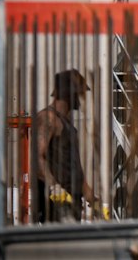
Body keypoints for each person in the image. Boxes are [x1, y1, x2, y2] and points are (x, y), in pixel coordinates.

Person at [32, 69, 95, 223]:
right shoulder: (48, 118)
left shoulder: (66, 124)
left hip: (71, 202)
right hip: (53, 205)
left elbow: (75, 169)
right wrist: (54, 187)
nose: (80, 99)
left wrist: (93, 200)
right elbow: (38, 157)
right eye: (78, 94)